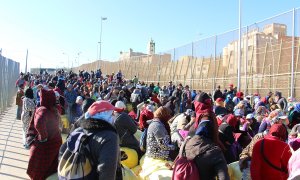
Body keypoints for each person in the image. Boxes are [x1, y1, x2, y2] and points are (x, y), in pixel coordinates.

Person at [61, 100, 122, 179]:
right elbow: (107, 169)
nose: (114, 116)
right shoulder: (109, 136)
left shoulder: (77, 131)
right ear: (104, 115)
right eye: (112, 113)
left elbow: (62, 152)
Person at [27, 88, 62, 179]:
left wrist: (43, 137)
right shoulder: (53, 109)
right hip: (54, 144)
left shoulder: (42, 109)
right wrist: (43, 136)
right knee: (50, 169)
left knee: (40, 168)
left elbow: (39, 122)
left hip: (48, 145)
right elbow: (39, 122)